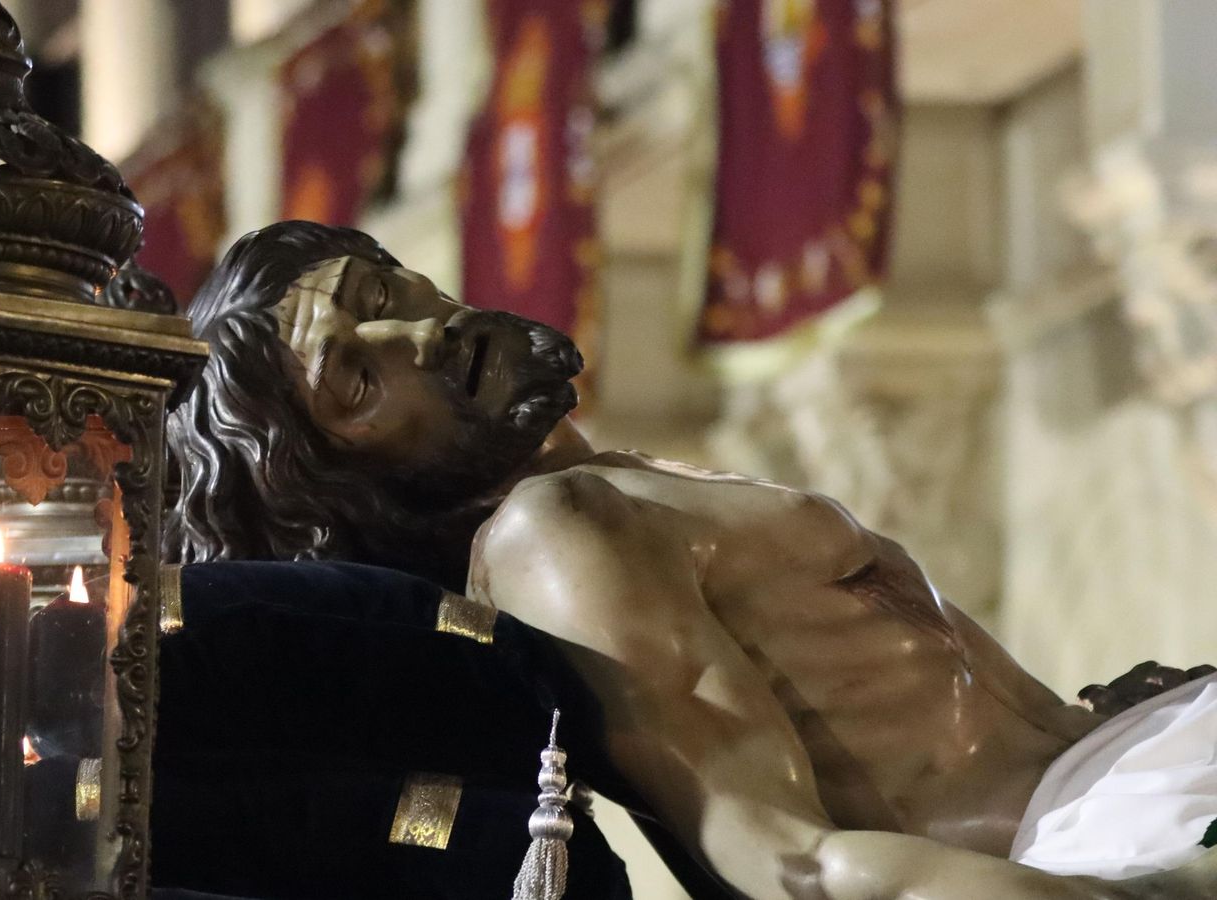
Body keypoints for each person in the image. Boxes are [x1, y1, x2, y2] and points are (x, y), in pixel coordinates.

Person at [163, 221, 1217, 900]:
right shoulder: (552, 535)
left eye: (380, 289)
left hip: (1124, 772)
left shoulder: (617, 485)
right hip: (1081, 845)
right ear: (332, 488)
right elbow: (784, 863)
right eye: (354, 377)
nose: (411, 334)